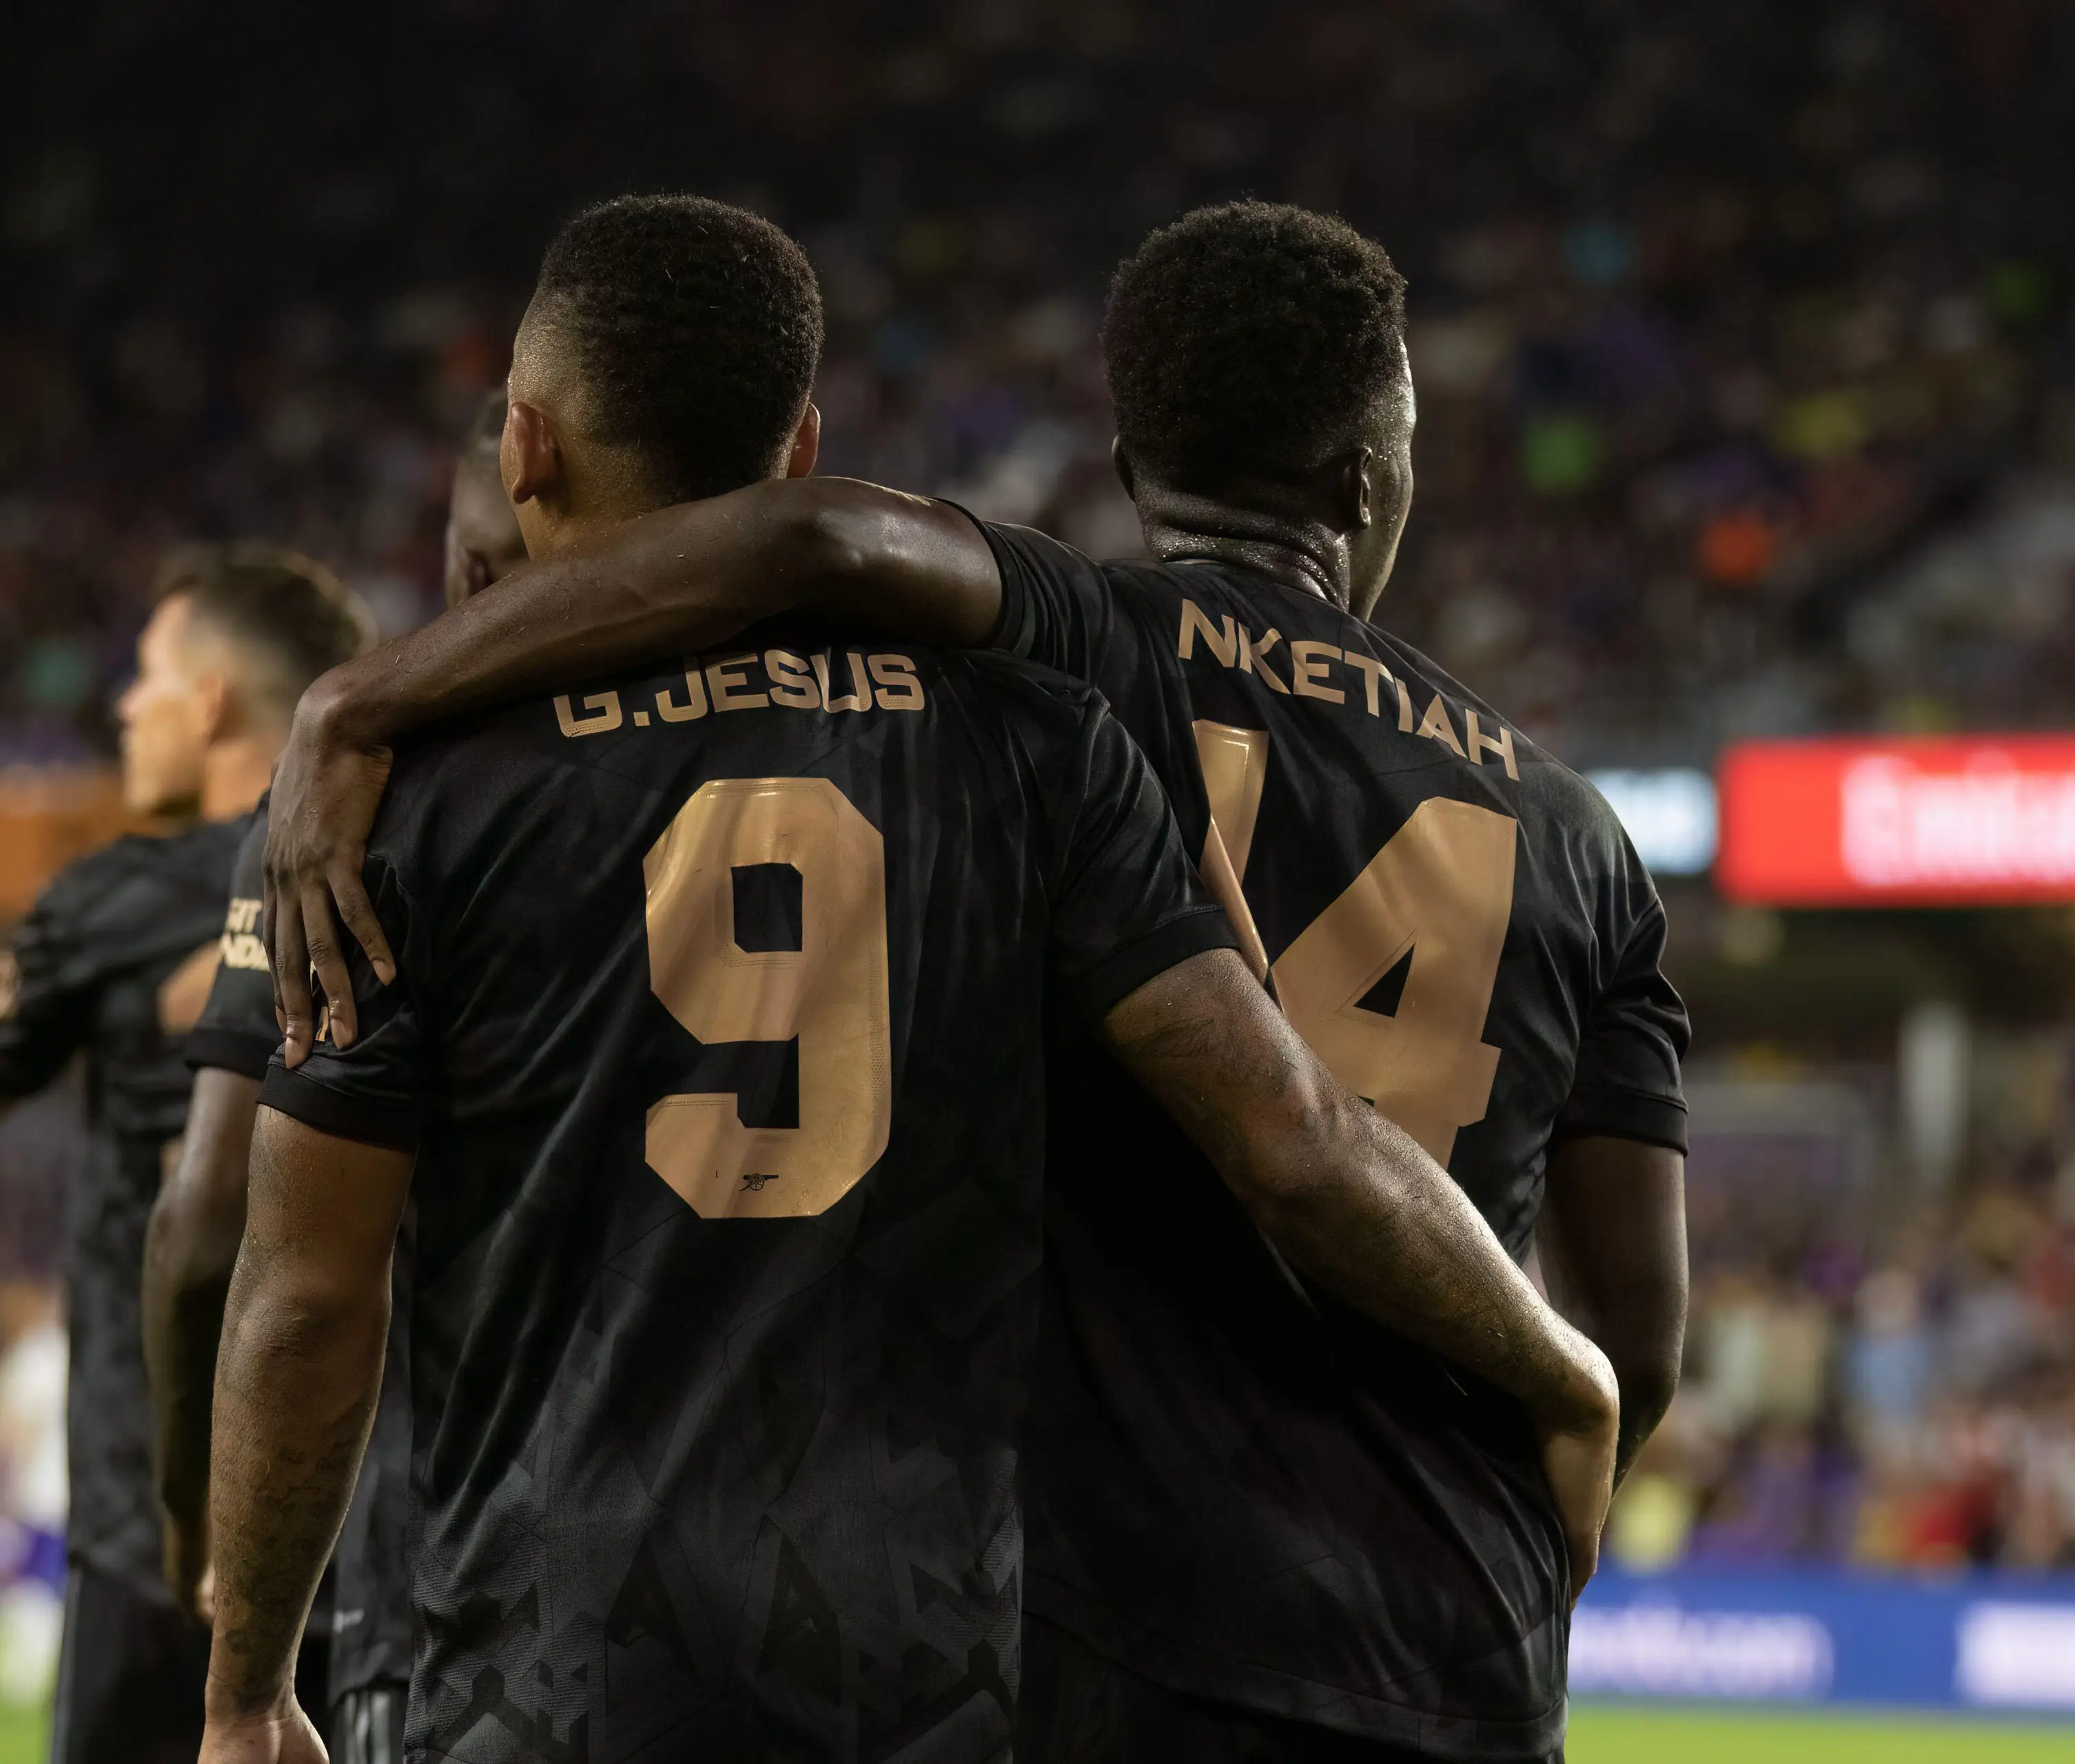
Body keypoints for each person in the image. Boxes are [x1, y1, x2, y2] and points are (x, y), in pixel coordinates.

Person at [196, 194, 1617, 1764]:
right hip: (932, 1671)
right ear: (803, 442)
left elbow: (303, 1289)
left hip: (545, 1661)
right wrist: (1560, 1366)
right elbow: (1296, 1131)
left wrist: (248, 1689)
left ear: (523, 446)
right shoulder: (1032, 741)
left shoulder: (411, 803)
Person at [145, 391, 526, 1764]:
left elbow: (225, 1231)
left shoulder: (370, 793)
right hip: (867, 1588)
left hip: (459, 1575)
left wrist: (206, 1563)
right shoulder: (919, 730)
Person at [0, 546, 372, 1764]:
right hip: (357, 1524)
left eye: (148, 675)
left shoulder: (108, 900)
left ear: (209, 700)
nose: (124, 706)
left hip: (145, 1532)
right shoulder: (404, 862)